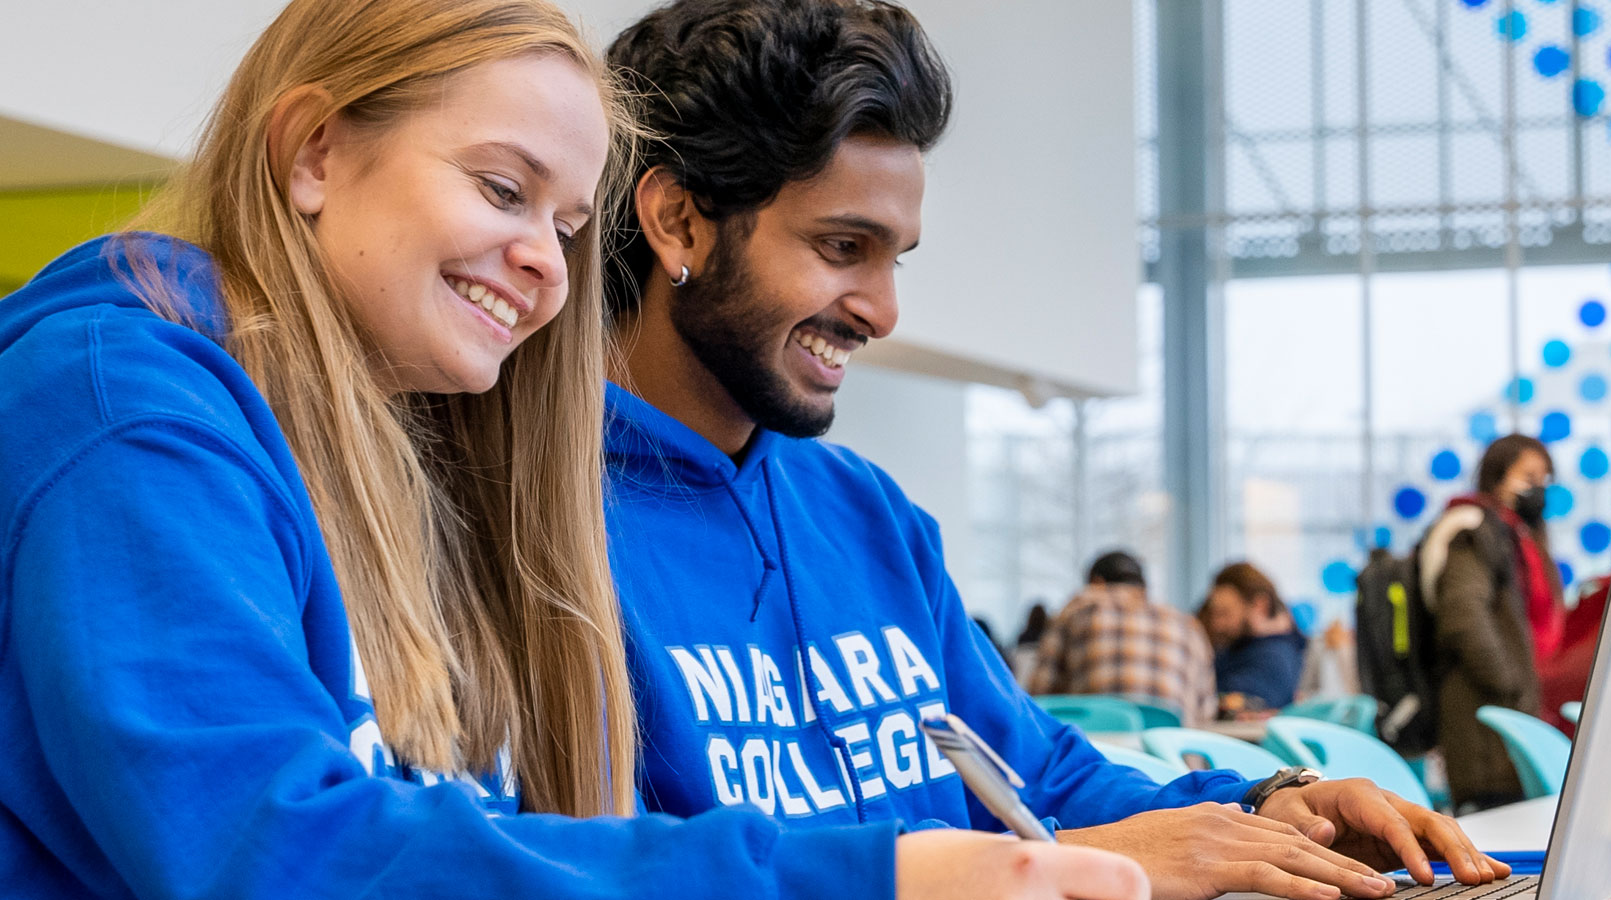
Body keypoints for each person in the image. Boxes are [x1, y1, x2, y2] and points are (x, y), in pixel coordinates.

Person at [0, 2, 1150, 898]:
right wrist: (878, 875)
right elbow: (279, 853)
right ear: (312, 153)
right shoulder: (125, 414)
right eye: (503, 188)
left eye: (564, 224)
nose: (548, 262)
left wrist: (1262, 807)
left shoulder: (371, 434)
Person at [599, 0, 1509, 897]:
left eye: (895, 259)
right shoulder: (539, 527)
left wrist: (1262, 809)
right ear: (678, 221)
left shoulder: (867, 513)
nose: (883, 309)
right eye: (843, 247)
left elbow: (1035, 776)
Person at [1424, 434, 1563, 812]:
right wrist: (1511, 684)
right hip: (1485, 721)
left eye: (1545, 478)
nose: (1539, 488)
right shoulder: (1475, 529)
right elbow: (1463, 614)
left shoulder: (1517, 535)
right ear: (1497, 476)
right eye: (1529, 476)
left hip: (1508, 712)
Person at [1027, 550, 1219, 725]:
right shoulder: (1188, 625)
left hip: (1102, 756)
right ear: (1143, 588)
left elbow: (1038, 700)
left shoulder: (1075, 611)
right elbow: (1206, 713)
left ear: (1096, 582)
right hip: (1171, 757)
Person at [1201, 561, 1308, 713]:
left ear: (1260, 605)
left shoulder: (1275, 657)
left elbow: (1235, 704)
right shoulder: (1240, 644)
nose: (1217, 624)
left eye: (1225, 613)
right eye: (1215, 613)